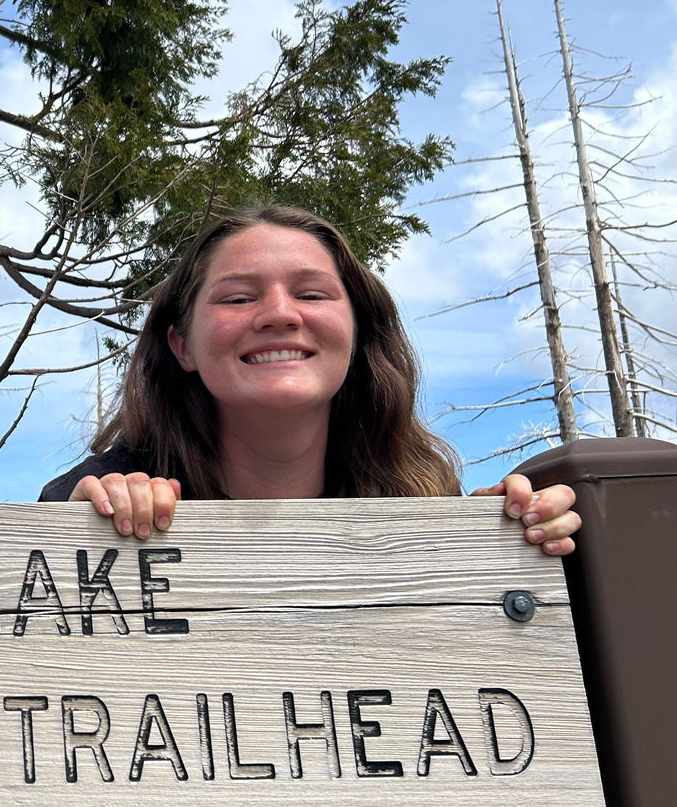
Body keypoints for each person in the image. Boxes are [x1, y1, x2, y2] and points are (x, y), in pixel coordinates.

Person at [41, 206, 581, 553]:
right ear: (181, 345)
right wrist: (81, 527)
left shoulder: (428, 499)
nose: (280, 313)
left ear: (357, 331)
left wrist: (506, 535)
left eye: (313, 294)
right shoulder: (89, 499)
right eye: (237, 297)